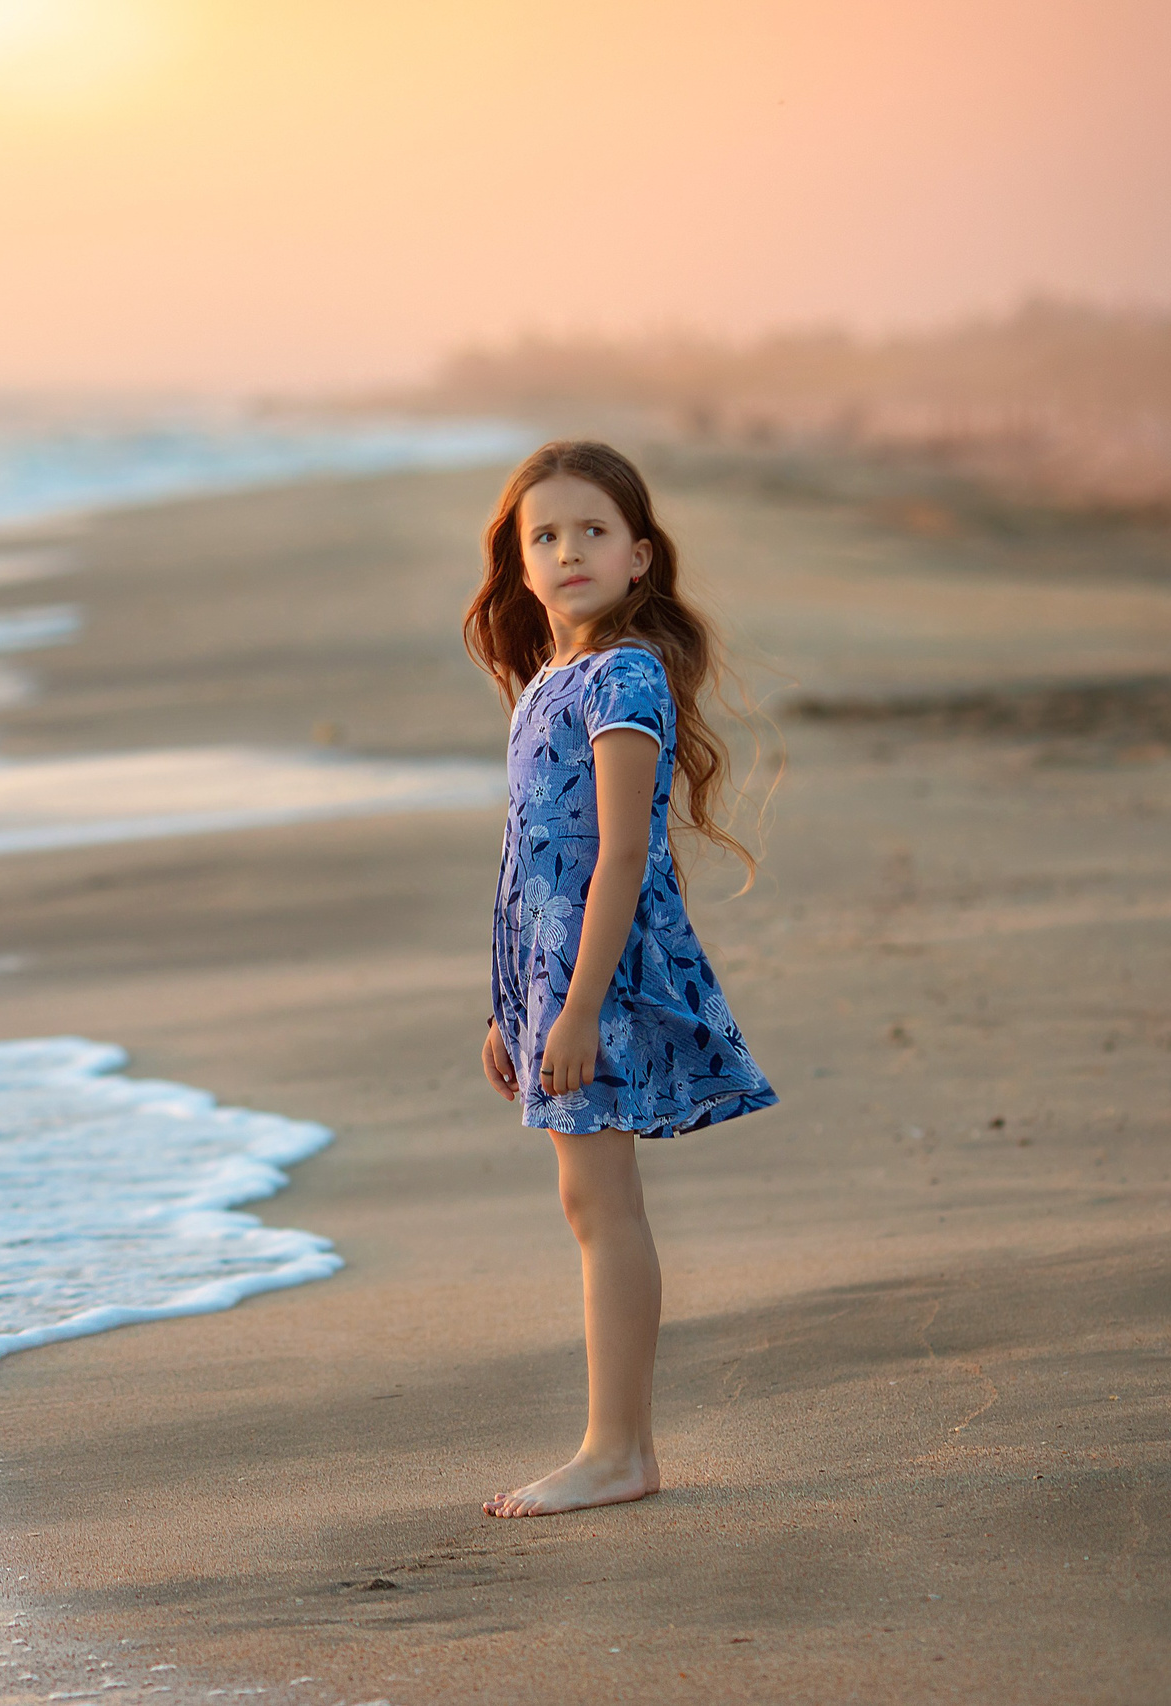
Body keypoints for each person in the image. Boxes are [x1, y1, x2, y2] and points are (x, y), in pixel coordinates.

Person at [466, 440, 777, 1518]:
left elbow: (616, 854)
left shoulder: (623, 675)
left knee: (601, 1204)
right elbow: (523, 860)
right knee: (586, 1198)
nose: (567, 550)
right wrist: (508, 1005)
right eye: (542, 535)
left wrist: (581, 1002)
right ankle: (618, 1445)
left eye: (592, 530)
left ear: (639, 555)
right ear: (517, 561)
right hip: (552, 978)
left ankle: (616, 1448)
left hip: (601, 970)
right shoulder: (547, 679)